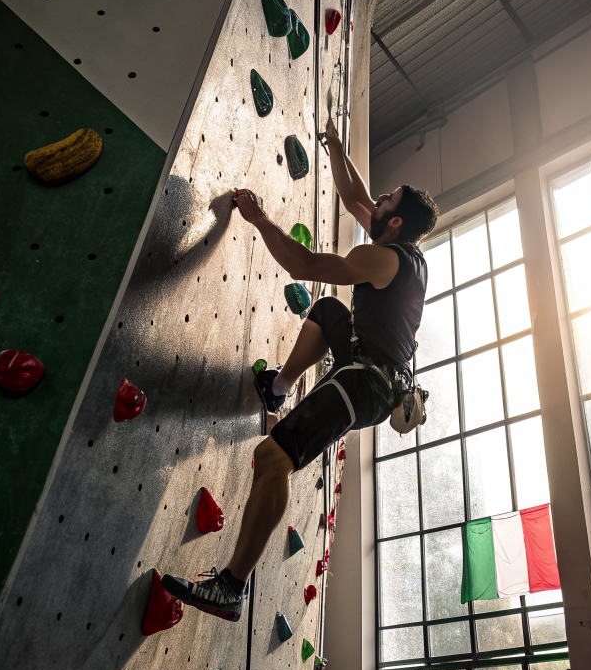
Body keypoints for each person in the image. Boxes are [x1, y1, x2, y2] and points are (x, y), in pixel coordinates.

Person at [162, 117, 438, 621]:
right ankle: (279, 386)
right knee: (329, 311)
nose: (374, 205)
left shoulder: (383, 260)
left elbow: (304, 267)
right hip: (364, 355)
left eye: (385, 204)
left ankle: (231, 587)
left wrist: (261, 220)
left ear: (395, 224)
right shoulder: (405, 251)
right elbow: (355, 195)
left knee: (272, 459)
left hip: (367, 384)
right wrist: (335, 145)